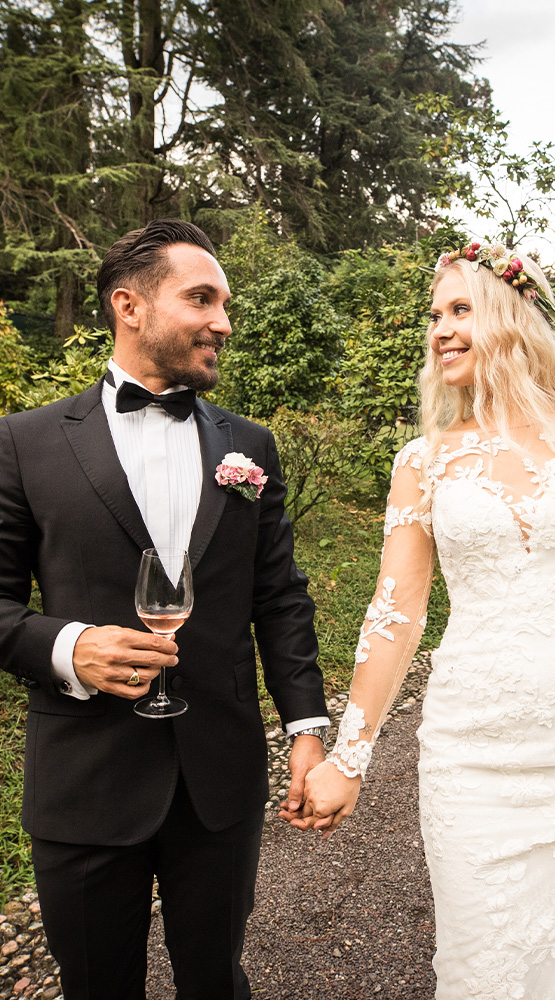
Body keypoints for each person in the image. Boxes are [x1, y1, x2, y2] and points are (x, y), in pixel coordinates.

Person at [287, 241, 555, 996]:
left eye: (459, 309)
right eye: (434, 316)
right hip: (469, 756)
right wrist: (350, 756)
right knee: (488, 965)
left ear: (512, 316)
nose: (439, 329)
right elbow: (396, 613)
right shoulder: (425, 460)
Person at [0, 219, 330, 1000]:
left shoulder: (250, 445)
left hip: (218, 776)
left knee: (215, 981)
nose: (223, 321)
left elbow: (279, 597)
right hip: (85, 776)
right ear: (130, 306)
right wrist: (66, 646)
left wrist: (308, 731)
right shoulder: (25, 442)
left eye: (225, 303)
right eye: (203, 299)